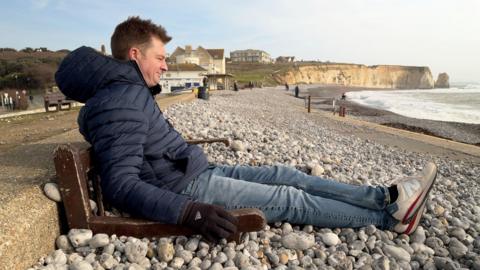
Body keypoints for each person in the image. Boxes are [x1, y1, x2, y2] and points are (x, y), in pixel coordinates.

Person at [56, 16, 437, 242]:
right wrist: (191, 213)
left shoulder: (127, 91)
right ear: (135, 54)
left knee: (286, 175)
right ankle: (390, 219)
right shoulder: (120, 100)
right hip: (187, 188)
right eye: (161, 58)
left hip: (195, 170)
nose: (166, 67)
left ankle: (383, 197)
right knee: (290, 199)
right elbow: (122, 184)